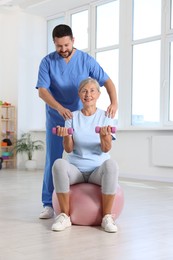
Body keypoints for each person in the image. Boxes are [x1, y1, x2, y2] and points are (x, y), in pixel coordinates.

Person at [36, 24, 118, 219]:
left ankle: (97, 200)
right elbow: (42, 91)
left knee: (88, 153)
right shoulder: (47, 62)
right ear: (54, 43)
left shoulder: (85, 60)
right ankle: (48, 204)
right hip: (58, 116)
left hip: (82, 117)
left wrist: (114, 102)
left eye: (66, 44)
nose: (63, 49)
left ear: (73, 40)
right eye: (59, 46)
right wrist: (59, 108)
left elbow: (107, 81)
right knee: (54, 159)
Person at [52, 78, 119, 233]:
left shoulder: (106, 116)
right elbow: (68, 150)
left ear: (98, 94)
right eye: (84, 91)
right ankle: (64, 216)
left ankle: (107, 217)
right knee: (58, 164)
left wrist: (104, 136)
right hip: (76, 170)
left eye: (92, 91)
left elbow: (106, 148)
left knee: (111, 164)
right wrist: (66, 136)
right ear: (79, 94)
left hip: (97, 171)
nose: (88, 94)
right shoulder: (71, 117)